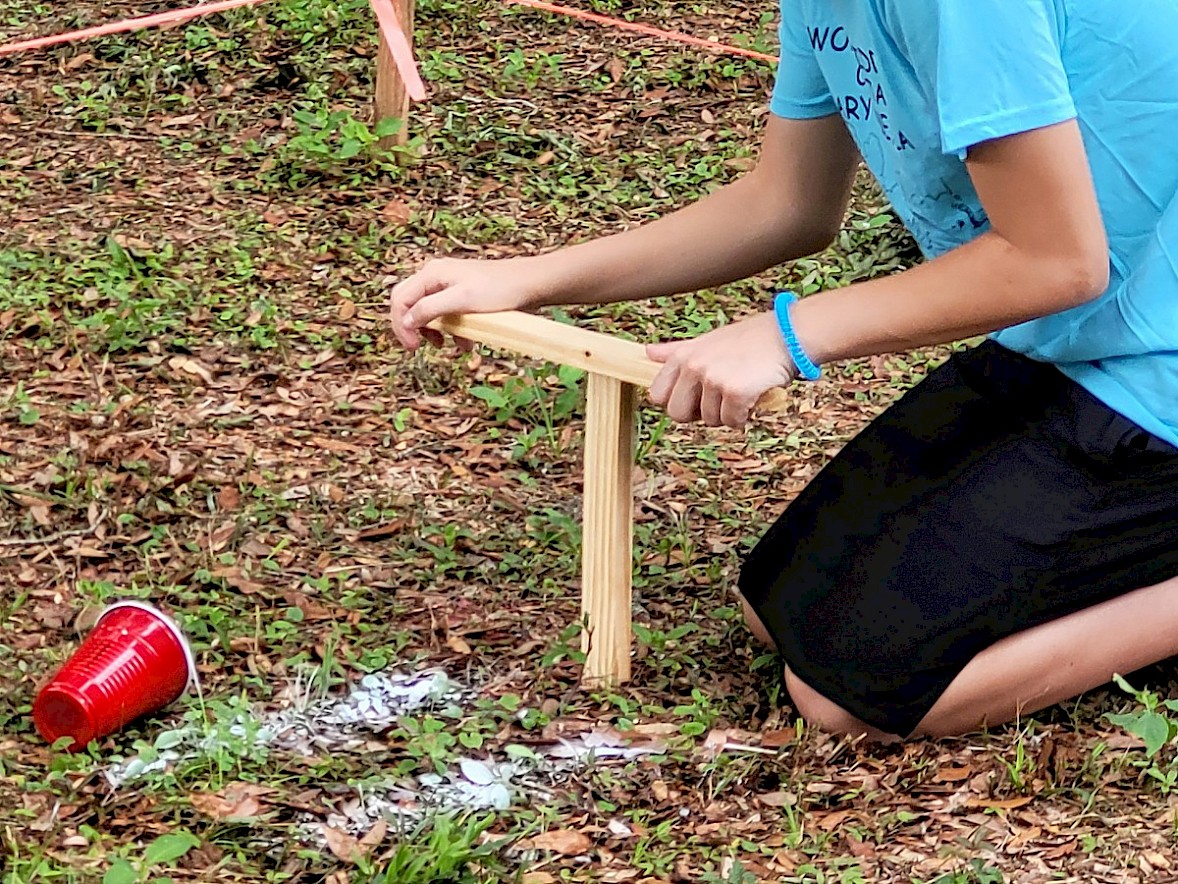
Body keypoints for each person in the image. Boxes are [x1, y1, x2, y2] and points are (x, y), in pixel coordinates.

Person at [389, 0, 1178, 741]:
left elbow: (1055, 261)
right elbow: (785, 204)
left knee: (851, 694)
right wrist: (531, 277)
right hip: (1073, 345)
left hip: (1148, 364)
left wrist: (784, 335)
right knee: (774, 606)